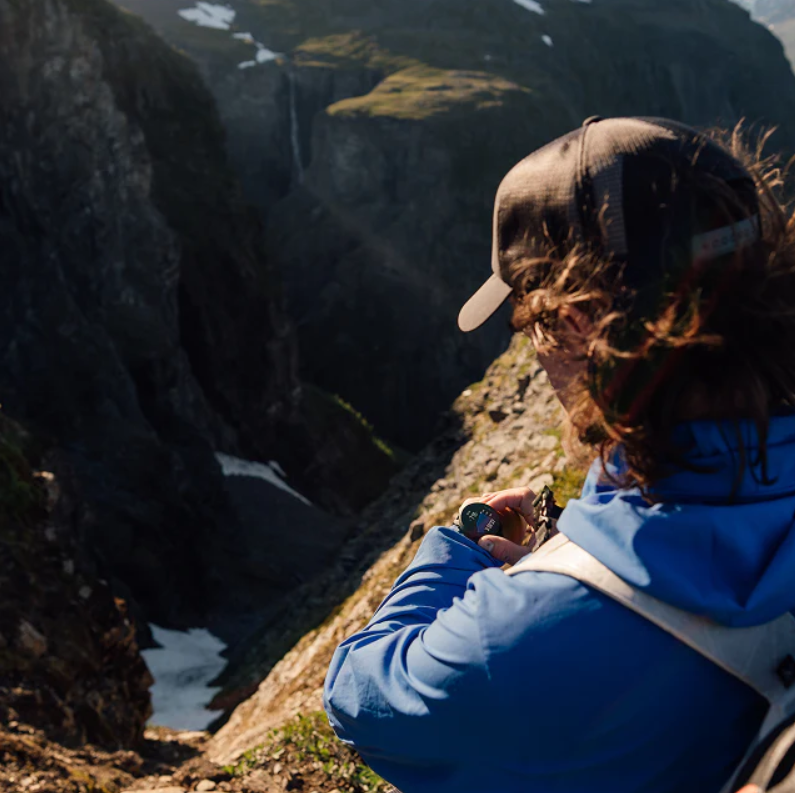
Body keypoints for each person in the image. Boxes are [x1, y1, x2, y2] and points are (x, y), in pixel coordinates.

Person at [323, 117, 795, 793]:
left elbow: (362, 694)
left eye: (530, 327)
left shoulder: (512, 646)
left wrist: (465, 544)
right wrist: (575, 573)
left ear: (573, 326)